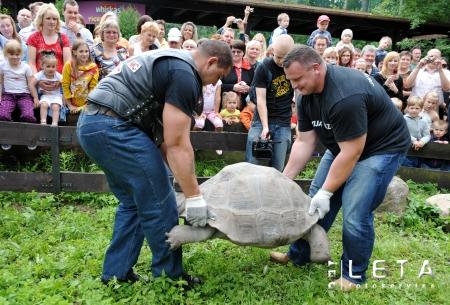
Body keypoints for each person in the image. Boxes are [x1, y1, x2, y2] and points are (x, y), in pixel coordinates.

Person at [76, 40, 232, 285]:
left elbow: (163, 142)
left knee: (133, 202)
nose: (214, 84)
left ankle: (116, 275)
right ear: (211, 61)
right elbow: (177, 144)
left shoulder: (170, 62)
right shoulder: (185, 74)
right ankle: (170, 277)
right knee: (161, 203)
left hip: (91, 125)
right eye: (218, 76)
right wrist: (194, 197)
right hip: (116, 127)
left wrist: (177, 178)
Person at [270, 45, 410, 291]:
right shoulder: (305, 95)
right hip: (343, 146)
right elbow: (304, 141)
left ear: (316, 68)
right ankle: (299, 255)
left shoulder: (345, 95)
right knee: (313, 203)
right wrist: (285, 179)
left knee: (355, 211)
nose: (294, 87)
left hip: (381, 148)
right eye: (290, 81)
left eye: (297, 79)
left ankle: (353, 277)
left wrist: (328, 192)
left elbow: (353, 152)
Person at [245, 34, 294, 171]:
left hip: (283, 121)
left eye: (283, 58)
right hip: (261, 119)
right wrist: (265, 127)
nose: (279, 60)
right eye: (276, 56)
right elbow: (260, 99)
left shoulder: (295, 67)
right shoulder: (264, 67)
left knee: (278, 166)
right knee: (251, 162)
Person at [0, 40, 38, 125]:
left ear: (21, 54)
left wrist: (35, 97)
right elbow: (1, 82)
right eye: (11, 54)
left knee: (28, 116)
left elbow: (31, 84)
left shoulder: (26, 67)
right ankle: (10, 130)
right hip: (8, 95)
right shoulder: (2, 66)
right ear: (6, 54)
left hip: (24, 95)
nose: (15, 57)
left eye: (17, 54)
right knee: (2, 115)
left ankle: (26, 131)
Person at [27, 3, 71, 74]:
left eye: (54, 19)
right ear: (41, 20)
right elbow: (31, 64)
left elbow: (67, 64)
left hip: (60, 81)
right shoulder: (33, 38)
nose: (52, 22)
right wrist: (38, 80)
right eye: (48, 18)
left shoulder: (63, 38)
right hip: (39, 81)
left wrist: (61, 80)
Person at [62, 39, 99, 114]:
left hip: (87, 102)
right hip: (70, 101)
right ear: (74, 52)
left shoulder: (93, 67)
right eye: (81, 51)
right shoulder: (69, 65)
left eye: (86, 51)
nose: (84, 54)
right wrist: (70, 105)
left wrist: (86, 105)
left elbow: (93, 87)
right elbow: (65, 85)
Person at [30, 53, 63, 125]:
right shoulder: (40, 74)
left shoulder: (57, 75)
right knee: (44, 104)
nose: (51, 69)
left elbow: (65, 83)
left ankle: (54, 123)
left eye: (53, 66)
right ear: (42, 66)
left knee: (55, 106)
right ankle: (43, 122)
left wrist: (60, 83)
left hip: (56, 96)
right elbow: (31, 84)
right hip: (45, 96)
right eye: (48, 66)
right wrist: (35, 98)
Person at [221, 39, 254, 110]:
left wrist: (249, 88)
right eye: (233, 51)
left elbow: (255, 87)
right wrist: (232, 87)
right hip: (227, 107)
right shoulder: (224, 66)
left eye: (238, 52)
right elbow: (217, 86)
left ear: (243, 53)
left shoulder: (250, 68)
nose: (236, 54)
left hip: (246, 107)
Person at [402, 96, 430, 168]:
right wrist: (414, 141)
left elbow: (427, 135)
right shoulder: (404, 119)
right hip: (407, 148)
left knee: (418, 167)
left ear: (421, 109)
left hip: (420, 149)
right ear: (408, 108)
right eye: (412, 108)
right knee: (407, 166)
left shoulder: (424, 120)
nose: (414, 110)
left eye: (417, 108)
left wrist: (422, 142)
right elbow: (404, 133)